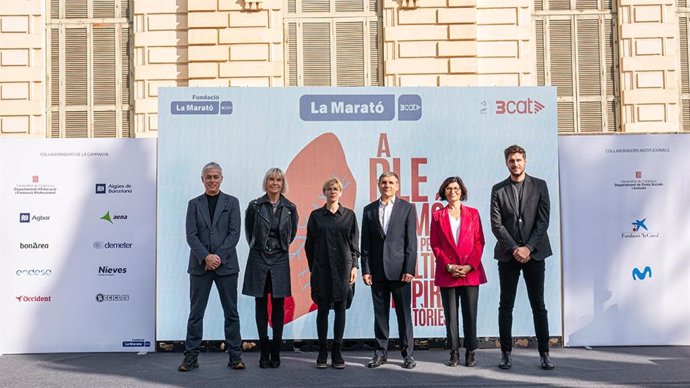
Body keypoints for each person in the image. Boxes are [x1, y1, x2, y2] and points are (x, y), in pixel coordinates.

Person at [490, 145, 555, 370]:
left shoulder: (540, 186)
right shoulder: (498, 190)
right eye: (511, 161)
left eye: (519, 160)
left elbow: (543, 221)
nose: (515, 164)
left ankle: (544, 353)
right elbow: (496, 225)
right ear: (506, 163)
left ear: (525, 161)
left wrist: (528, 248)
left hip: (535, 254)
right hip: (508, 256)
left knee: (538, 304)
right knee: (505, 304)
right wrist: (515, 249)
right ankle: (506, 353)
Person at [178, 162, 244, 372]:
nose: (212, 180)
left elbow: (234, 233)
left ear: (221, 179)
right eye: (209, 177)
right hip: (200, 266)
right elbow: (191, 235)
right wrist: (206, 257)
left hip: (226, 266)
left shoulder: (232, 202)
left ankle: (235, 357)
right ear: (203, 179)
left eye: (216, 177)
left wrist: (217, 257)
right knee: (196, 313)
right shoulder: (193, 204)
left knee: (231, 313)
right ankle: (190, 357)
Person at [242, 167, 298, 368]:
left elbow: (291, 235)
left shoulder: (290, 207)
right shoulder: (255, 205)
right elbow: (249, 232)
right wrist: (261, 247)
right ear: (266, 182)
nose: (275, 183)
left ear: (283, 183)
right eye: (271, 179)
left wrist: (278, 247)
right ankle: (263, 351)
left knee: (278, 305)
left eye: (278, 180)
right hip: (258, 256)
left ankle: (276, 351)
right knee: (260, 304)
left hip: (280, 258)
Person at [361, 172, 418, 369]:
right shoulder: (368, 210)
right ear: (378, 184)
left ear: (398, 186)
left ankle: (408, 355)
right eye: (384, 182)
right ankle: (380, 353)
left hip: (400, 270)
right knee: (380, 315)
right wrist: (365, 270)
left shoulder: (407, 208)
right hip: (376, 271)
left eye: (391, 182)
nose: (387, 185)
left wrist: (409, 268)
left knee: (404, 315)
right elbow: (365, 244)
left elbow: (412, 242)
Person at [430, 176, 486, 368]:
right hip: (448, 273)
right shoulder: (437, 216)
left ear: (462, 191)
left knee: (470, 314)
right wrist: (448, 266)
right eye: (448, 188)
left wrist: (470, 266)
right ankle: (454, 352)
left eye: (456, 188)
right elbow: (435, 244)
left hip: (470, 272)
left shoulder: (473, 213)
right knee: (451, 316)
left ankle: (470, 352)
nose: (452, 191)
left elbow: (479, 242)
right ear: (444, 192)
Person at [305, 178, 360, 369]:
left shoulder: (350, 216)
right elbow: (309, 246)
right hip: (322, 270)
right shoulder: (316, 216)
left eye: (336, 189)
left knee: (340, 309)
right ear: (324, 192)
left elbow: (355, 246)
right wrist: (315, 268)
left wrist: (354, 266)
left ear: (341, 192)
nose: (332, 192)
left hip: (344, 269)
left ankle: (337, 351)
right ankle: (322, 351)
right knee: (322, 309)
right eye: (329, 189)